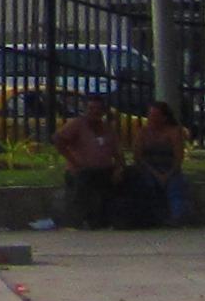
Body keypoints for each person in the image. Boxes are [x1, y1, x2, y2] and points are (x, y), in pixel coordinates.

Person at [51, 99, 128, 232]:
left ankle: (110, 220)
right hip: (82, 170)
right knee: (84, 182)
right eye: (91, 108)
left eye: (98, 109)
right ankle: (82, 220)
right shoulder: (77, 124)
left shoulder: (108, 128)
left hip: (104, 169)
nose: (95, 112)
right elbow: (58, 140)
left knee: (120, 183)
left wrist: (119, 169)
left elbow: (118, 152)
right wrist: (74, 161)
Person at [135, 100, 195, 228]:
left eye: (155, 116)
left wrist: (168, 174)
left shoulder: (174, 132)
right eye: (150, 115)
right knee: (147, 185)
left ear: (164, 117)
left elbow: (178, 158)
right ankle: (151, 218)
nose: (152, 119)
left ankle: (178, 218)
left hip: (169, 168)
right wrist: (155, 173)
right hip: (149, 169)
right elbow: (139, 157)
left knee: (176, 186)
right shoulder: (142, 132)